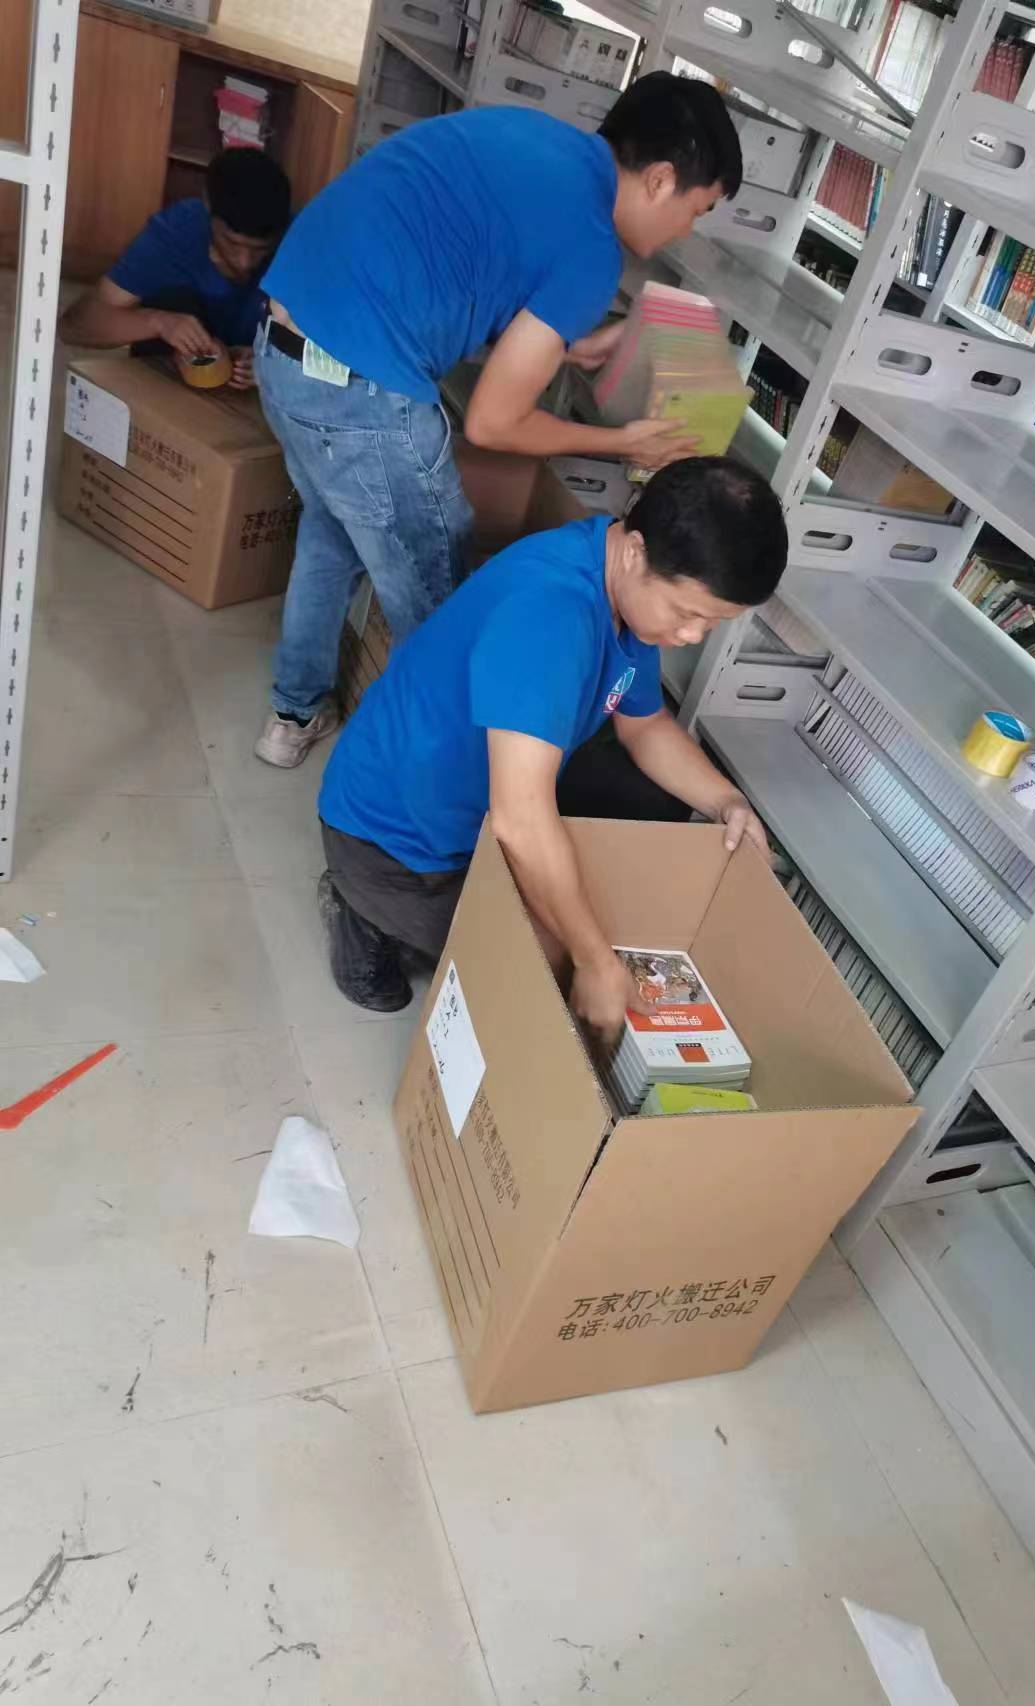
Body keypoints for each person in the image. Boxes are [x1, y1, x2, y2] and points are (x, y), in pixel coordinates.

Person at [251, 71, 743, 770]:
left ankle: (293, 713)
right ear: (661, 179)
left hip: (283, 349)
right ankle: (421, 789)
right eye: (698, 210)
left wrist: (566, 347)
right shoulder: (592, 247)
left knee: (332, 538)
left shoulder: (536, 140)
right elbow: (492, 424)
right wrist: (621, 442)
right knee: (444, 609)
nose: (686, 231)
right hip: (361, 392)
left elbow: (462, 270)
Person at [315, 457, 787, 1041]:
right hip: (394, 840)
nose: (691, 636)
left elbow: (645, 726)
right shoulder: (550, 617)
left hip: (484, 800)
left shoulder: (623, 587)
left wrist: (725, 801)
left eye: (711, 624)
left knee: (644, 810)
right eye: (687, 614)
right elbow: (520, 821)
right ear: (636, 551)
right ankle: (361, 915)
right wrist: (592, 960)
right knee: (544, 975)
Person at [58, 149, 291, 390]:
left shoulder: (298, 247)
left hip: (257, 397)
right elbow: (75, 326)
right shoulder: (176, 234)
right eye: (232, 243)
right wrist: (158, 322)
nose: (245, 262)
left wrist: (276, 365)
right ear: (207, 206)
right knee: (171, 299)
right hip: (170, 385)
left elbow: (316, 358)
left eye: (260, 249)